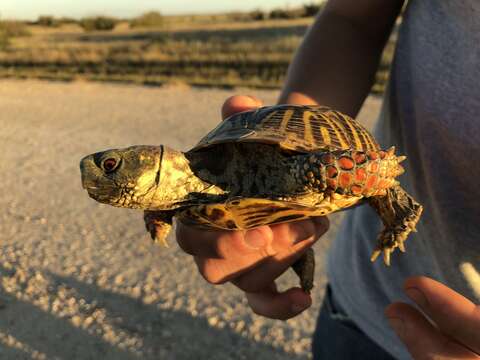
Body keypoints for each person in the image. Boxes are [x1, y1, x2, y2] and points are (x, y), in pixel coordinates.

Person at [173, 0, 480, 358]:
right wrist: (283, 125)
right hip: (364, 305)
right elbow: (351, 18)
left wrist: (355, 168)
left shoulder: (343, 172)